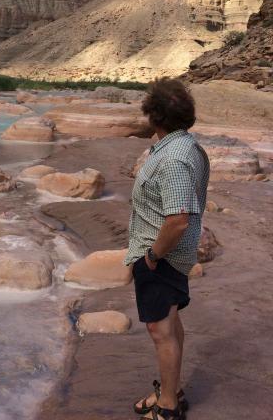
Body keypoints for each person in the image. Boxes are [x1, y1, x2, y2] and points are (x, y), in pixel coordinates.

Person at [125, 78, 210, 420]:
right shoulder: (185, 146)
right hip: (169, 254)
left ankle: (169, 407)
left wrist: (151, 257)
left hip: (163, 256)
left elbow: (177, 220)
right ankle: (170, 389)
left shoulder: (174, 158)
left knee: (160, 330)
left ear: (154, 116)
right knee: (170, 325)